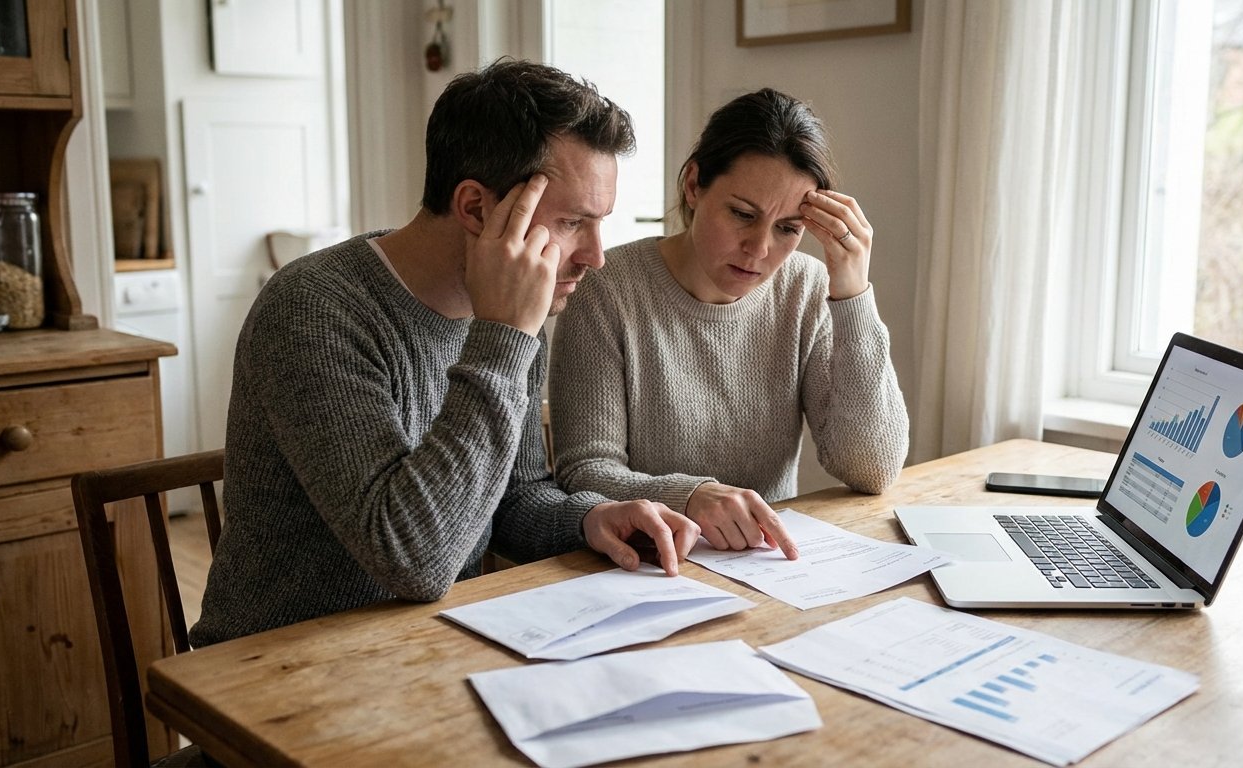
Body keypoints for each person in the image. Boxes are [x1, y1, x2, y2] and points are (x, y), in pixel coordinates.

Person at [191, 60, 699, 648]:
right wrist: (504, 337)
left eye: (599, 224)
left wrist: (589, 519)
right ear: (477, 209)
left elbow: (515, 497)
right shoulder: (313, 310)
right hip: (273, 675)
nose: (594, 256)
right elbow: (414, 559)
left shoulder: (510, 316)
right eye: (570, 223)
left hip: (429, 651)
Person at [548, 88, 909, 559]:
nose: (759, 250)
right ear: (694, 184)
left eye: (787, 229)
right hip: (650, 568)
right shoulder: (607, 288)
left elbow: (872, 468)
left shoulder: (806, 288)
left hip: (769, 569)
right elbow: (584, 472)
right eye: (742, 214)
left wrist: (853, 295)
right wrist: (691, 497)